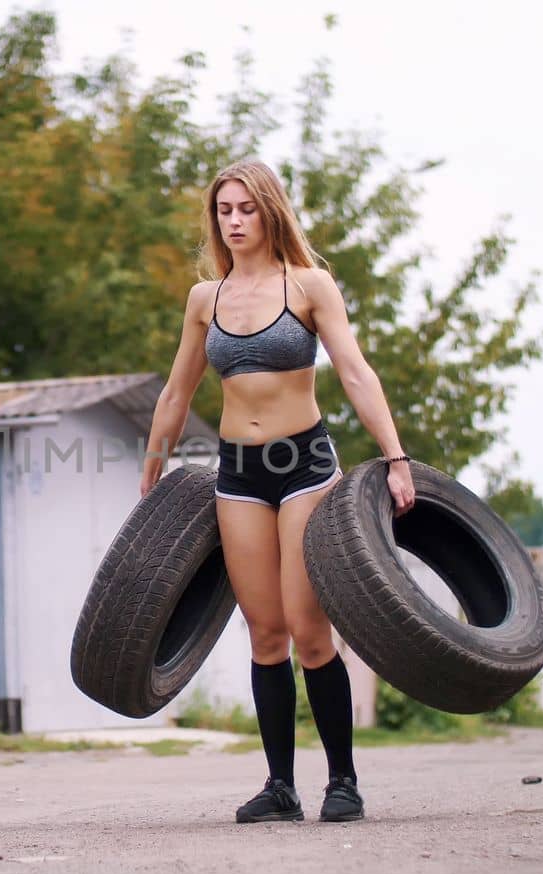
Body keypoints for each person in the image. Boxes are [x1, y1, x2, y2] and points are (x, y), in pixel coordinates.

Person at [139, 160, 417, 824]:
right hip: (239, 473)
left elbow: (353, 370)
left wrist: (395, 457)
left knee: (308, 629)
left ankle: (343, 781)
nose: (233, 222)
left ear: (270, 212)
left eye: (245, 210)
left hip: (306, 466)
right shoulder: (205, 300)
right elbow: (178, 392)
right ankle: (281, 786)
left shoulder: (309, 286)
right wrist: (152, 469)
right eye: (224, 212)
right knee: (265, 633)